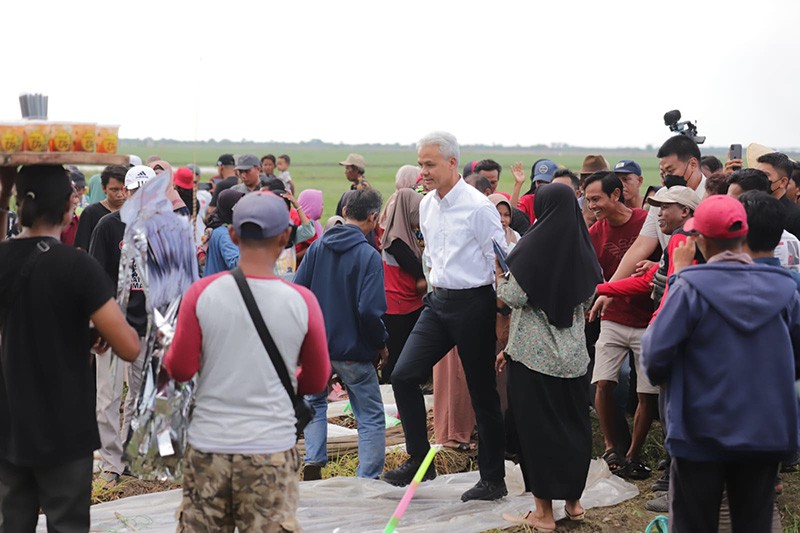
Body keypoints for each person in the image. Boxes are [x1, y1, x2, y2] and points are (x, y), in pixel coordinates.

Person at [165, 191, 330, 531]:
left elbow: (179, 368)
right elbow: (316, 380)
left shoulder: (201, 294)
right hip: (270, 448)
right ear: (285, 237)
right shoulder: (302, 301)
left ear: (234, 235)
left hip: (209, 447)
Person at [641, 194, 800, 532]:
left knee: (695, 523)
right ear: (743, 235)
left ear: (699, 240)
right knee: (755, 522)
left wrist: (678, 276)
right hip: (765, 433)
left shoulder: (689, 288)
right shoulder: (786, 290)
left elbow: (654, 357)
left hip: (700, 432)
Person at [0, 165, 140, 531]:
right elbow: (127, 346)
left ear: (19, 204)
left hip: (8, 422)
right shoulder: (77, 266)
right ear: (69, 207)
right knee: (68, 524)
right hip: (64, 426)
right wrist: (98, 331)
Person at [384, 131, 508, 502]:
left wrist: (501, 315)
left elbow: (500, 263)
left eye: (430, 164)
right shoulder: (426, 205)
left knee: (482, 392)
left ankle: (493, 479)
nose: (423, 171)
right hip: (438, 303)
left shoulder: (478, 207)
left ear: (452, 163)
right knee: (403, 375)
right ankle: (420, 460)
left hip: (475, 304)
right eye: (420, 164)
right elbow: (430, 255)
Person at [497, 183, 603, 532]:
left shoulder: (531, 248)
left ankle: (543, 513)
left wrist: (500, 277)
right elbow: (588, 301)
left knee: (536, 433)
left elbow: (512, 295)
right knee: (573, 428)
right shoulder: (584, 249)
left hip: (532, 358)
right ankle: (574, 503)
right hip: (573, 359)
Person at [294, 189, 388, 480]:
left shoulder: (317, 248)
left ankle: (313, 461)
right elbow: (370, 311)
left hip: (318, 349)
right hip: (354, 352)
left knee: (316, 403)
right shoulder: (368, 256)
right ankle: (367, 478)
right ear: (373, 218)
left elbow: (299, 293)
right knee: (371, 416)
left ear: (345, 212)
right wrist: (381, 344)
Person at [584, 171, 657, 479]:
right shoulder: (594, 232)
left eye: (596, 199)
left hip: (645, 320)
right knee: (602, 382)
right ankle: (612, 447)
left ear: (616, 195)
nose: (592, 205)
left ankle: (633, 454)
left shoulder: (646, 222)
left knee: (646, 391)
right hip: (612, 317)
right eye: (588, 199)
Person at [88, 165, 156, 484]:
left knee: (141, 394)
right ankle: (111, 463)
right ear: (126, 193)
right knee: (109, 396)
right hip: (112, 324)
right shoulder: (108, 226)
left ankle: (131, 455)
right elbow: (94, 278)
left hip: (148, 324)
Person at [606, 135, 706, 283]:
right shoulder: (662, 195)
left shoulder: (714, 195)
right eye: (663, 173)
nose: (666, 179)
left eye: (670, 171)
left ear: (692, 164)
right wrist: (609, 289)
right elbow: (641, 246)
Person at [380, 188, 425, 384]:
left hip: (408, 301)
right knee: (397, 354)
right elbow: (418, 269)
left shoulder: (406, 236)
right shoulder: (396, 242)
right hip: (398, 304)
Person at [73, 164, 127, 250]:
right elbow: (81, 248)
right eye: (114, 190)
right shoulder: (90, 213)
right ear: (103, 187)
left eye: (124, 189)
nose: (120, 194)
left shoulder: (134, 213)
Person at [756, 151, 800, 238]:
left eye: (765, 175)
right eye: (757, 173)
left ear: (783, 182)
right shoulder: (754, 209)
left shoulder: (796, 216)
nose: (758, 178)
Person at [203, 189, 246, 276]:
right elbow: (235, 263)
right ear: (229, 209)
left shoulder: (217, 228)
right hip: (222, 285)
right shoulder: (225, 234)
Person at [295, 189, 324, 264]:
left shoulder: (317, 224)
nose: (322, 208)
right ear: (312, 206)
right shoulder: (300, 223)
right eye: (321, 204)